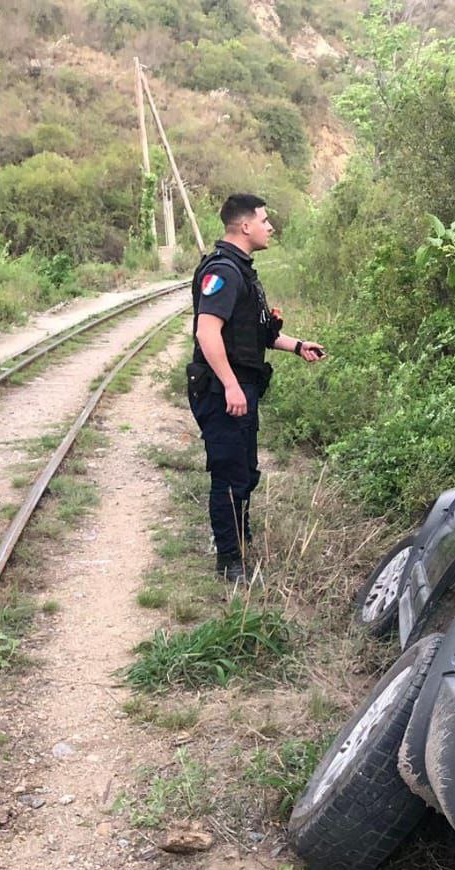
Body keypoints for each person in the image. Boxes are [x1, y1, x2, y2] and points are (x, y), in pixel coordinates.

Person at [186, 193, 325, 584]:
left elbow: (254, 336)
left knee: (245, 472)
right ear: (244, 226)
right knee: (229, 474)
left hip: (239, 386)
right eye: (264, 220)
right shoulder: (224, 272)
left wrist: (297, 346)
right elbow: (207, 331)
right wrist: (230, 385)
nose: (270, 227)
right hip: (221, 389)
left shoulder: (243, 271)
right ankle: (229, 562)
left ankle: (239, 541)